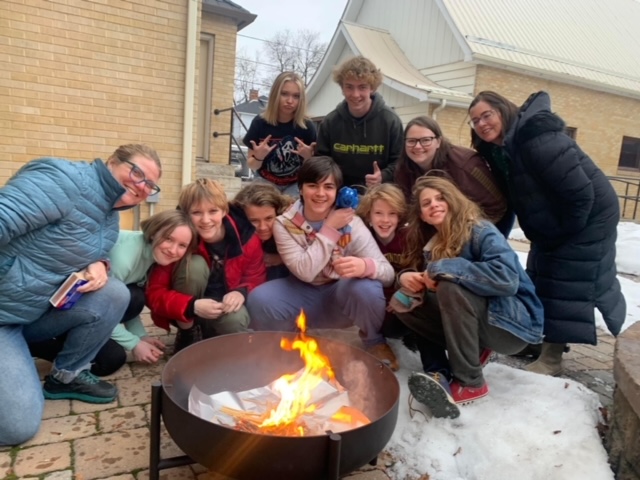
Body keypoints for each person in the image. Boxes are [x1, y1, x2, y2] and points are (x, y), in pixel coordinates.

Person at [0, 144, 162, 446]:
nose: (142, 186)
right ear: (113, 161)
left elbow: (81, 247)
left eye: (150, 185)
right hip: (3, 314)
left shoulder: (109, 219)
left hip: (34, 314)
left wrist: (100, 263)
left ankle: (65, 378)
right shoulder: (63, 179)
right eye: (137, 173)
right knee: (16, 427)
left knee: (114, 292)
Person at [468, 90, 626, 376]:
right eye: (475, 120)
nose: (481, 124)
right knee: (538, 274)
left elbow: (580, 193)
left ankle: (552, 357)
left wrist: (561, 232)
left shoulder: (537, 140)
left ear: (503, 110)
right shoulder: (507, 149)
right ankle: (538, 339)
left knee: (563, 280)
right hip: (559, 221)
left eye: (486, 115)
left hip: (587, 217)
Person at [392, 176, 543, 419]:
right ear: (422, 215)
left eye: (440, 198)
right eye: (426, 203)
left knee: (450, 288)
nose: (434, 205)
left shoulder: (480, 231)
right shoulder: (433, 244)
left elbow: (506, 278)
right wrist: (408, 278)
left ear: (453, 200)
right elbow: (428, 278)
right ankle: (437, 373)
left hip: (512, 325)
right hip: (479, 322)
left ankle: (470, 381)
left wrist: (444, 269)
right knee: (408, 300)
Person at [246, 156, 399, 370]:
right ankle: (289, 343)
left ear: (337, 192)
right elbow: (305, 272)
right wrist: (330, 228)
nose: (320, 194)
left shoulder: (351, 222)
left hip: (339, 296)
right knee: (259, 299)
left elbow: (388, 273)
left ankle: (374, 340)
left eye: (328, 187)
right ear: (300, 189)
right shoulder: (284, 224)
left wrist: (365, 266)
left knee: (366, 287)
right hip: (301, 293)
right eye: (312, 186)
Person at [28, 209, 197, 375]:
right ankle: (33, 344)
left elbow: (131, 305)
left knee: (136, 296)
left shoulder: (153, 258)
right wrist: (134, 344)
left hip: (89, 308)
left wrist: (141, 336)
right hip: (59, 311)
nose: (173, 250)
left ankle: (71, 342)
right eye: (168, 239)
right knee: (110, 360)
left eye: (182, 245)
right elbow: (104, 307)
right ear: (154, 232)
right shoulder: (126, 256)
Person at [146, 178, 266, 353]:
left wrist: (241, 291)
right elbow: (155, 292)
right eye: (196, 212)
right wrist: (191, 306)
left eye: (213, 211)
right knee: (194, 265)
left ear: (224, 211)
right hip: (187, 308)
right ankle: (188, 331)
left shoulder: (246, 237)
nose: (206, 220)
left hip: (221, 306)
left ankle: (219, 341)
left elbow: (256, 275)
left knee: (236, 319)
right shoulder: (177, 239)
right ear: (186, 214)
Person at [394, 115, 507, 230]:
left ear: (438, 142)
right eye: (411, 141)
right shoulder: (403, 170)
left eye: (426, 140)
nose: (417, 146)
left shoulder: (465, 165)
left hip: (482, 226)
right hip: (436, 229)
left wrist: (461, 232)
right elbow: (410, 212)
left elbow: (496, 207)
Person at [315, 56, 404, 190]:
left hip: (377, 193)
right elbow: (321, 161)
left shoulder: (391, 121)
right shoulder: (330, 122)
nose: (355, 94)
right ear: (342, 88)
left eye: (362, 87)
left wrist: (383, 176)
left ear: (372, 88)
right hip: (339, 193)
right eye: (349, 87)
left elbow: (400, 162)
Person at [244, 71, 317, 197]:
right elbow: (252, 164)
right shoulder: (259, 123)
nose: (290, 101)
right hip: (264, 181)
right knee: (262, 206)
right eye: (284, 94)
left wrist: (308, 158)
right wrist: (259, 157)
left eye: (296, 96)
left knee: (291, 210)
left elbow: (314, 170)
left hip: (295, 184)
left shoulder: (307, 126)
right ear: (275, 94)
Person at [356, 183, 410, 339]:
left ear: (399, 216)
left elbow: (418, 275)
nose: (385, 220)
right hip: (377, 301)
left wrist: (403, 297)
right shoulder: (363, 238)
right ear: (368, 215)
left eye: (392, 213)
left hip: (405, 299)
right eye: (378, 213)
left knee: (398, 327)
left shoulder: (409, 238)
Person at [233, 182, 293, 281]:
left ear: (278, 213)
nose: (263, 227)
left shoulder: (291, 224)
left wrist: (282, 259)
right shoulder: (234, 231)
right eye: (254, 221)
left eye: (269, 218)